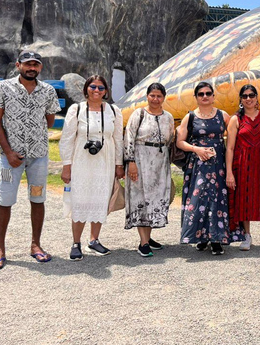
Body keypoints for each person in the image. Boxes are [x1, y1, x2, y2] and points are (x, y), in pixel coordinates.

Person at [0, 51, 61, 270]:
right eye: (28, 64)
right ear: (18, 65)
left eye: (36, 65)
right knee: (5, 200)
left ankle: (36, 245)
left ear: (40, 68)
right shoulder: (3, 88)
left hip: (38, 156)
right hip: (9, 158)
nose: (32, 68)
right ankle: (0, 249)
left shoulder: (48, 91)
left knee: (38, 199)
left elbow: (49, 121)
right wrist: (9, 152)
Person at [59, 75, 124, 261]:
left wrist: (119, 164)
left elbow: (118, 139)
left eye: (101, 88)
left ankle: (94, 240)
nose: (97, 90)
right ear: (86, 89)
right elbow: (67, 138)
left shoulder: (114, 111)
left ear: (106, 91)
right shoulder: (77, 109)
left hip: (105, 161)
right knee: (80, 200)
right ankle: (76, 243)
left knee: (100, 199)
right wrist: (66, 165)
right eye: (93, 87)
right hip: (81, 161)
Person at [177, 81, 240, 255]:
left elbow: (235, 138)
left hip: (219, 164)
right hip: (198, 165)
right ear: (196, 97)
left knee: (217, 199)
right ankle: (201, 237)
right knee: (198, 199)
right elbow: (180, 142)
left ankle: (216, 239)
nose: (205, 96)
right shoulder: (190, 117)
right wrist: (196, 149)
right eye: (201, 94)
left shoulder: (223, 115)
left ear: (213, 96)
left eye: (208, 93)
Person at [123, 83, 176, 257]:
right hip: (140, 160)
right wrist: (130, 161)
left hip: (160, 162)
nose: (155, 99)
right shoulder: (138, 114)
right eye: (152, 95)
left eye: (159, 96)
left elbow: (170, 139)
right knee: (140, 198)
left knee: (154, 198)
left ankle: (148, 237)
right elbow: (129, 137)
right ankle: (143, 242)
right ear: (147, 96)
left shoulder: (168, 117)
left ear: (164, 97)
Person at [225, 84, 260, 253]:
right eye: (245, 96)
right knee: (244, 199)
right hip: (242, 164)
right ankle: (247, 235)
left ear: (256, 97)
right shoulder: (236, 119)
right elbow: (230, 147)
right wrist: (229, 172)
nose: (248, 99)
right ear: (240, 99)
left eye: (251, 95)